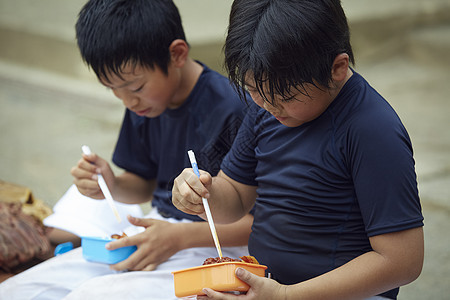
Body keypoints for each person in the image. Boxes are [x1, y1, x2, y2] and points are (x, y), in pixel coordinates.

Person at [172, 0, 424, 299]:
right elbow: (237, 196)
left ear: (337, 68)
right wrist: (204, 196)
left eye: (287, 95)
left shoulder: (372, 130)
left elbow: (402, 261)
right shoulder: (267, 104)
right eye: (254, 89)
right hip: (266, 285)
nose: (269, 105)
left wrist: (288, 296)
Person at [0, 0, 252, 299]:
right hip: (159, 232)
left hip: (212, 246)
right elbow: (143, 183)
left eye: (134, 87)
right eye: (112, 89)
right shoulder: (146, 104)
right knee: (20, 289)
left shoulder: (232, 108)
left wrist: (180, 237)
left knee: (89, 295)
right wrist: (111, 183)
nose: (127, 101)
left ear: (177, 54)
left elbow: (256, 222)